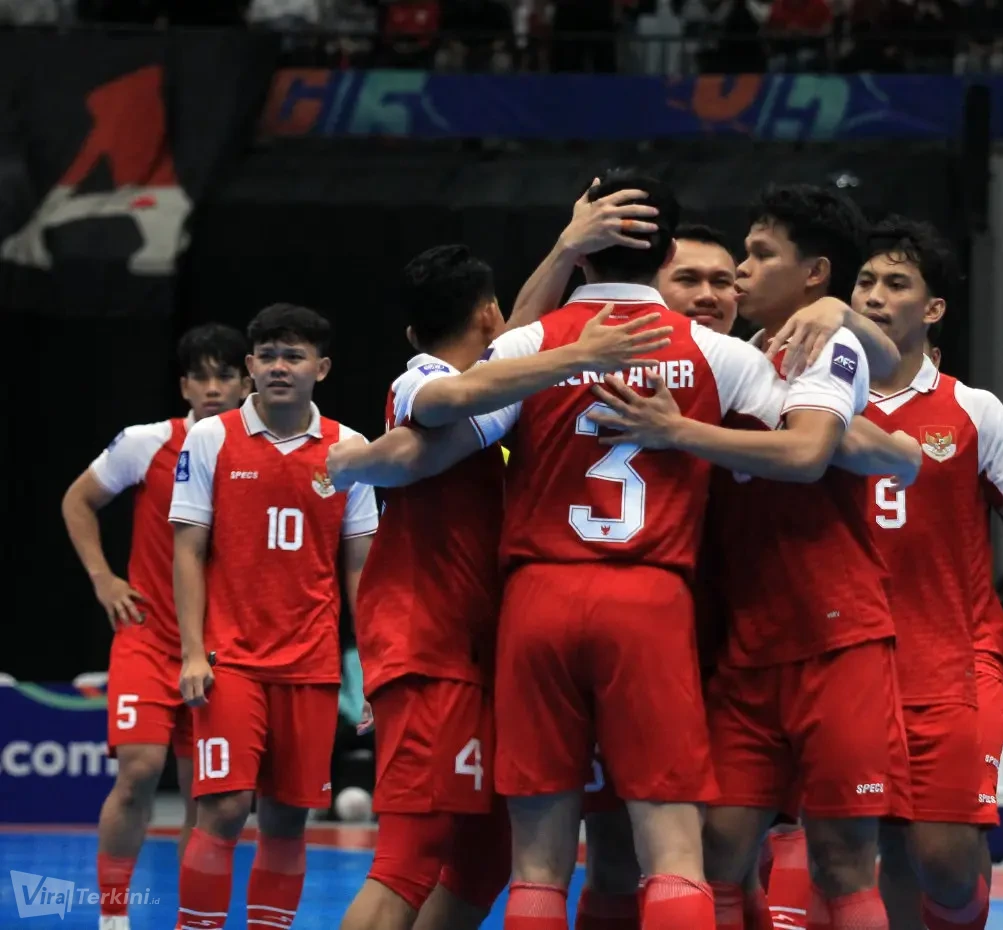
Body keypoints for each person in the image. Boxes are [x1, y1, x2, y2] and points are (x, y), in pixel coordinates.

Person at [329, 171, 908, 930]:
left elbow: (434, 441)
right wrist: (894, 442)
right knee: (673, 852)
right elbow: (818, 441)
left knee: (537, 862)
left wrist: (352, 462)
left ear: (585, 255)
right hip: (655, 603)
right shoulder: (716, 354)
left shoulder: (532, 348)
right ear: (665, 256)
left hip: (537, 602)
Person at [590, 183, 918, 930]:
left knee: (841, 859)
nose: (736, 274)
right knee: (713, 855)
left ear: (812, 273)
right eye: (703, 274)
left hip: (835, 638)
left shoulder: (820, 343)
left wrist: (845, 322)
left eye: (755, 257)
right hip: (732, 646)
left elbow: (811, 453)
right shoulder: (721, 361)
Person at [848, 217, 1003, 930]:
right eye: (865, 282)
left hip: (957, 663)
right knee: (887, 848)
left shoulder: (975, 411)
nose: (876, 297)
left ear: (934, 307)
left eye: (897, 284)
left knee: (945, 859)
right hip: (857, 661)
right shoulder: (817, 406)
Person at [169, 304, 381, 930]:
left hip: (312, 666)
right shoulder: (210, 438)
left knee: (289, 819)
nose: (279, 367)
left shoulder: (350, 448)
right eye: (267, 355)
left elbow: (362, 567)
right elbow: (188, 548)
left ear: (322, 367)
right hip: (230, 659)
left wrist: (369, 665)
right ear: (250, 366)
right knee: (227, 808)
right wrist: (188, 651)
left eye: (294, 356)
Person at [338, 246, 512, 930]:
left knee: (484, 860)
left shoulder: (506, 393)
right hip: (427, 649)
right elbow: (423, 439)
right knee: (409, 862)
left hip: (482, 658)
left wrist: (564, 250)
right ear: (489, 315)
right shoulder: (421, 381)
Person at [61, 324, 249, 930]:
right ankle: (113, 917)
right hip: (148, 637)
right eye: (202, 376)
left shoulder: (260, 451)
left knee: (206, 793)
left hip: (219, 646)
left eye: (225, 375)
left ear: (246, 381)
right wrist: (103, 579)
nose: (214, 387)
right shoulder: (147, 444)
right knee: (139, 769)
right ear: (184, 386)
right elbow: (77, 500)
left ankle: (191, 919)